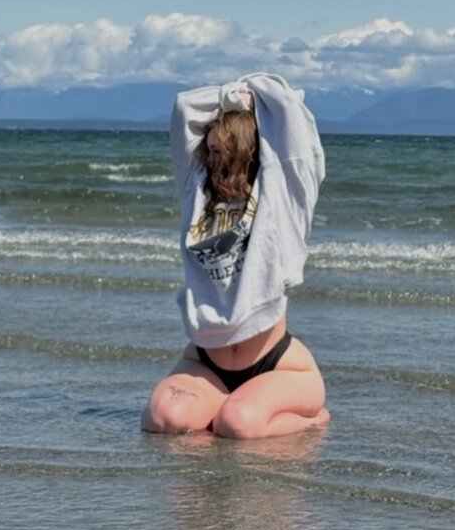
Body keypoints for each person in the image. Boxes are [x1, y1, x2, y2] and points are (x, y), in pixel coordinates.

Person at [141, 72, 329, 438]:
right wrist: (229, 98)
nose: (210, 160)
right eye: (208, 150)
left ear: (246, 154)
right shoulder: (196, 191)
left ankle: (312, 419)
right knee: (164, 420)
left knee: (237, 424)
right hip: (205, 361)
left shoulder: (281, 198)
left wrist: (252, 96)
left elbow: (289, 112)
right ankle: (225, 406)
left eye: (220, 152)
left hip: (277, 366)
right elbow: (185, 107)